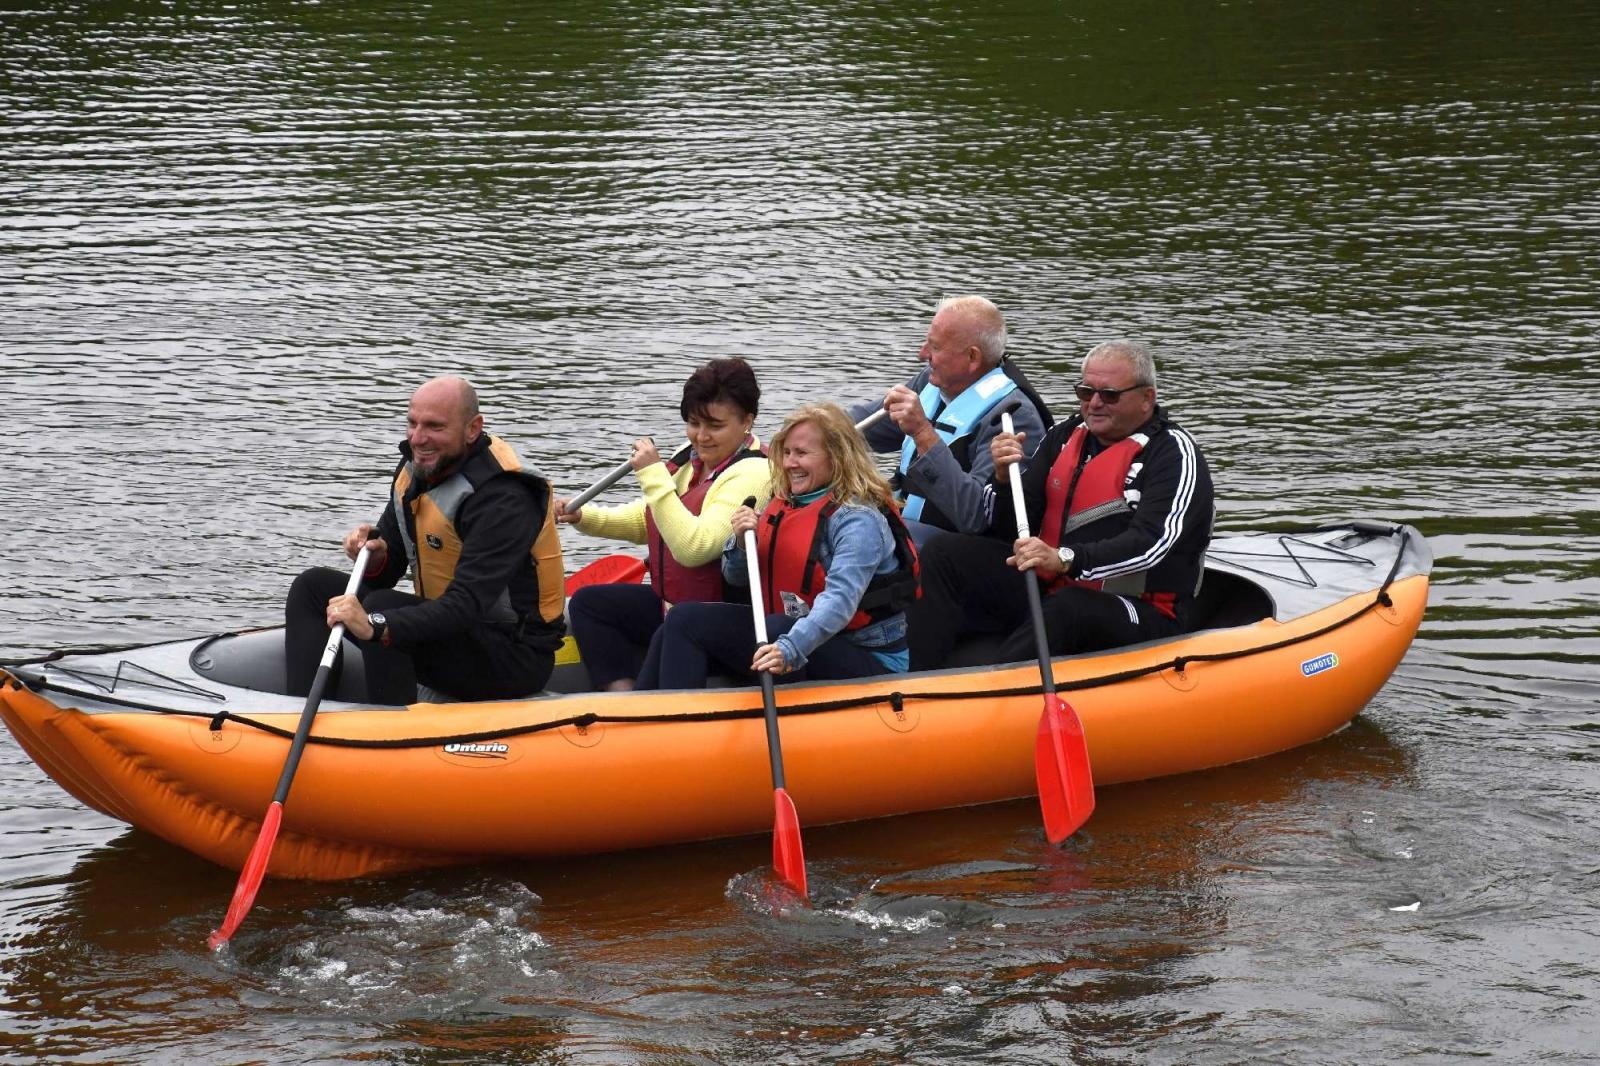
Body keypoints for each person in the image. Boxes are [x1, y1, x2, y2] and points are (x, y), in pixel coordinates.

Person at [906, 340, 1214, 669]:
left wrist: (1066, 559)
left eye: (1109, 395)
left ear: (1146, 398)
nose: (1094, 404)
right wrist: (1002, 481)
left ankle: (995, 694)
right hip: (1057, 584)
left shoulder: (1172, 453)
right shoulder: (1065, 436)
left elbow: (1153, 544)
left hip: (1142, 609)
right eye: (1085, 392)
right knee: (944, 553)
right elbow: (1007, 527)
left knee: (1070, 608)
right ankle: (915, 677)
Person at [285, 376, 566, 704]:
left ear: (473, 429)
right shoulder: (418, 467)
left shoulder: (504, 498)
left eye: (434, 427)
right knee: (313, 586)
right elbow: (388, 569)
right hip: (450, 628)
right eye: (412, 423)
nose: (418, 438)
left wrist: (377, 625)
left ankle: (394, 732)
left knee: (381, 608)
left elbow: (465, 606)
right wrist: (374, 557)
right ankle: (299, 713)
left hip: (512, 654)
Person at [639, 402, 918, 690]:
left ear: (836, 457)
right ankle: (641, 716)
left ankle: (687, 725)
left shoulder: (858, 520)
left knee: (774, 629)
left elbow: (840, 601)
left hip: (864, 656)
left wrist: (789, 648)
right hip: (789, 633)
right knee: (683, 619)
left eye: (801, 453)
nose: (789, 463)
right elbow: (734, 576)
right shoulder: (786, 501)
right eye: (786, 453)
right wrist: (741, 543)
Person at [556, 358, 768, 691]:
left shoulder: (754, 474)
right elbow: (654, 520)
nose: (701, 436)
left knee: (681, 624)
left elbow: (694, 547)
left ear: (747, 422)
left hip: (728, 622)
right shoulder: (696, 458)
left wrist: (654, 475)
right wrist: (585, 517)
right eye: (694, 423)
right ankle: (618, 698)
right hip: (676, 608)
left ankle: (649, 718)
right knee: (589, 604)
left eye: (715, 425)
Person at [850, 295, 1052, 545]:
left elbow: (976, 516)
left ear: (972, 358)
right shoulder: (932, 382)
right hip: (903, 526)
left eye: (934, 347)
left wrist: (923, 433)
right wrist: (811, 429)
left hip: (953, 554)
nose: (922, 353)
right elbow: (860, 425)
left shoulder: (1014, 417)